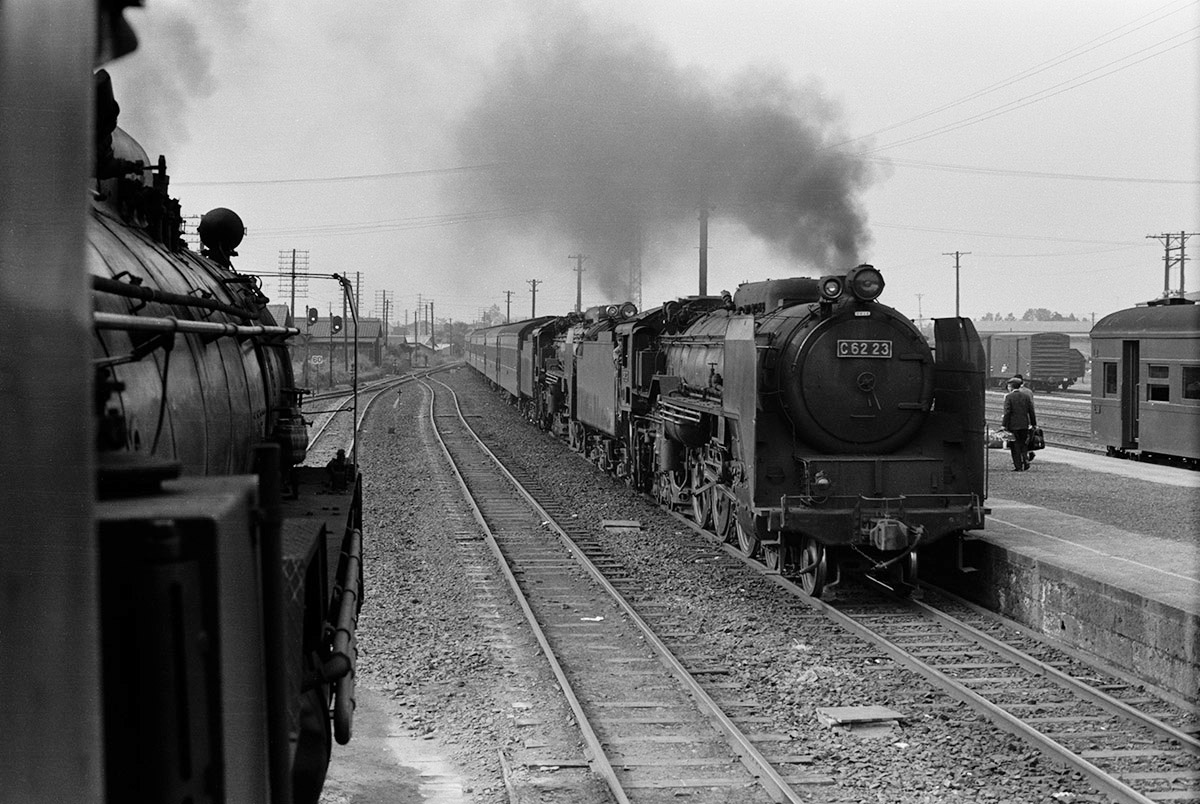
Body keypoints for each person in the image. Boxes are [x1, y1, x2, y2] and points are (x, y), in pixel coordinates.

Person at [1002, 377, 1037, 471]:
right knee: (1024, 444)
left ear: (1011, 387)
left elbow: (1007, 412)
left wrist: (1003, 425)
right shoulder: (1026, 396)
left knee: (1014, 445)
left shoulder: (1009, 397)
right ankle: (1026, 461)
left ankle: (1018, 466)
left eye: (1008, 386)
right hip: (1024, 424)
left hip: (1013, 425)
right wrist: (1033, 424)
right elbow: (1031, 411)